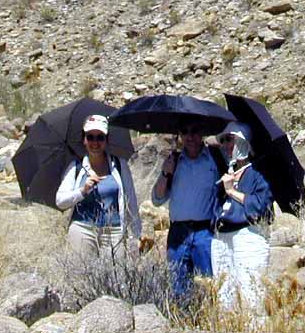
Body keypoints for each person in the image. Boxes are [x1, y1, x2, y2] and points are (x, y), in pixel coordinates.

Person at [152, 123, 222, 298]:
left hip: (205, 232)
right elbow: (157, 199)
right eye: (184, 132)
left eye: (194, 131)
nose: (189, 137)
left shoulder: (215, 159)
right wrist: (165, 173)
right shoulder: (174, 161)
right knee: (177, 288)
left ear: (202, 133)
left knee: (208, 285)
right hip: (178, 233)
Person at [56, 114, 141, 256]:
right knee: (81, 270)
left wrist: (136, 235)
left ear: (106, 140)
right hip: (82, 229)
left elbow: (131, 200)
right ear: (84, 140)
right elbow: (60, 201)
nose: (95, 143)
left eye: (100, 137)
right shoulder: (76, 167)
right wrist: (82, 191)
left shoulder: (119, 165)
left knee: (116, 270)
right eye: (90, 137)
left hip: (114, 231)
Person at [210, 121, 273, 310]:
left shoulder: (258, 172)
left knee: (252, 296)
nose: (226, 145)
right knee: (224, 299)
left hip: (248, 236)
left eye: (230, 139)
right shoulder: (226, 173)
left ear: (242, 142)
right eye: (222, 140)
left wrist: (232, 191)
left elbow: (261, 207)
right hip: (221, 237)